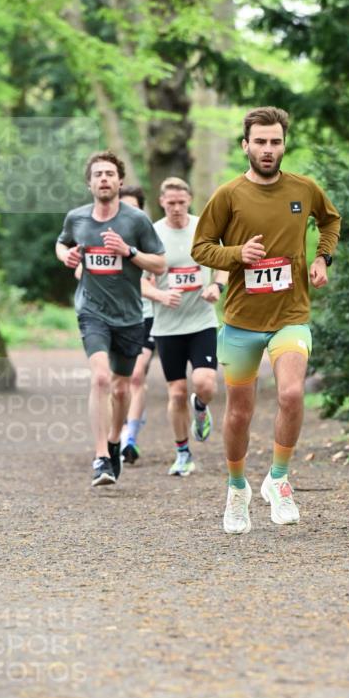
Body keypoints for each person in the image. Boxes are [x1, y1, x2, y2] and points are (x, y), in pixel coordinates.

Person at [191, 106, 341, 533]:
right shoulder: (228, 195)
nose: (268, 149)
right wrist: (238, 254)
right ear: (246, 145)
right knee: (240, 412)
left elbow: (330, 220)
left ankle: (278, 480)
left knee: (292, 394)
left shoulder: (304, 189)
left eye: (275, 141)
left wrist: (322, 257)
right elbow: (201, 248)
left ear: (284, 144)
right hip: (240, 320)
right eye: (260, 142)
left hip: (290, 314)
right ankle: (237, 489)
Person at [56, 151, 166, 486]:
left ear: (119, 181)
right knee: (101, 379)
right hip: (92, 312)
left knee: (121, 389)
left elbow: (160, 264)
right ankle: (101, 456)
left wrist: (129, 252)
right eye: (97, 174)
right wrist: (68, 255)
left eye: (109, 174)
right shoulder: (77, 218)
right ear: (90, 183)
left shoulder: (135, 221)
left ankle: (116, 440)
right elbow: (61, 245)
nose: (104, 178)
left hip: (130, 316)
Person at [142, 177, 228, 476]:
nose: (177, 208)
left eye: (182, 202)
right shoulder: (151, 234)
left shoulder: (203, 227)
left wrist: (216, 287)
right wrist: (160, 295)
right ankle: (182, 453)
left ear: (189, 200)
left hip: (201, 320)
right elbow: (138, 281)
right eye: (171, 203)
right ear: (162, 202)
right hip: (167, 326)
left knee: (206, 384)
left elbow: (222, 263)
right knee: (176, 392)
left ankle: (201, 409)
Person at [117, 187, 155, 464]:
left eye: (133, 207)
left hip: (146, 315)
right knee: (117, 381)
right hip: (113, 317)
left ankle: (129, 438)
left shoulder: (152, 238)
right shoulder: (104, 236)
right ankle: (115, 432)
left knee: (138, 375)